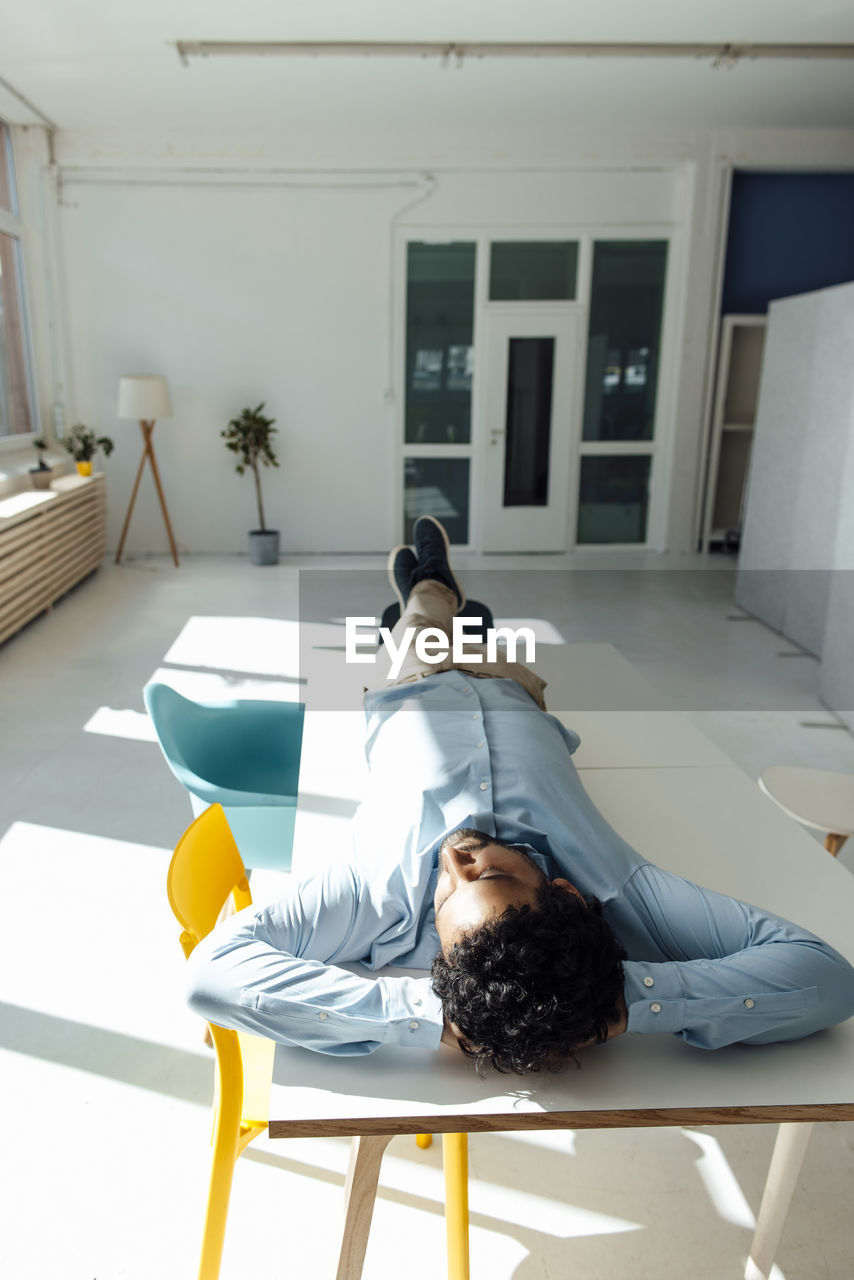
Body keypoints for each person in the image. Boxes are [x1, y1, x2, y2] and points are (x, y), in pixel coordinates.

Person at [186, 517, 854, 1074]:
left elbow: (214, 972)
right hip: (512, 691)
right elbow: (826, 975)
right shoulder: (617, 888)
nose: (454, 861)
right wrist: (622, 1000)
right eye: (492, 872)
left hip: (412, 688)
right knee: (469, 631)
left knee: (419, 627)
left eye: (445, 897)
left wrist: (429, 1016)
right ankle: (444, 600)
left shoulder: (371, 893)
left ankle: (427, 590)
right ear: (564, 894)